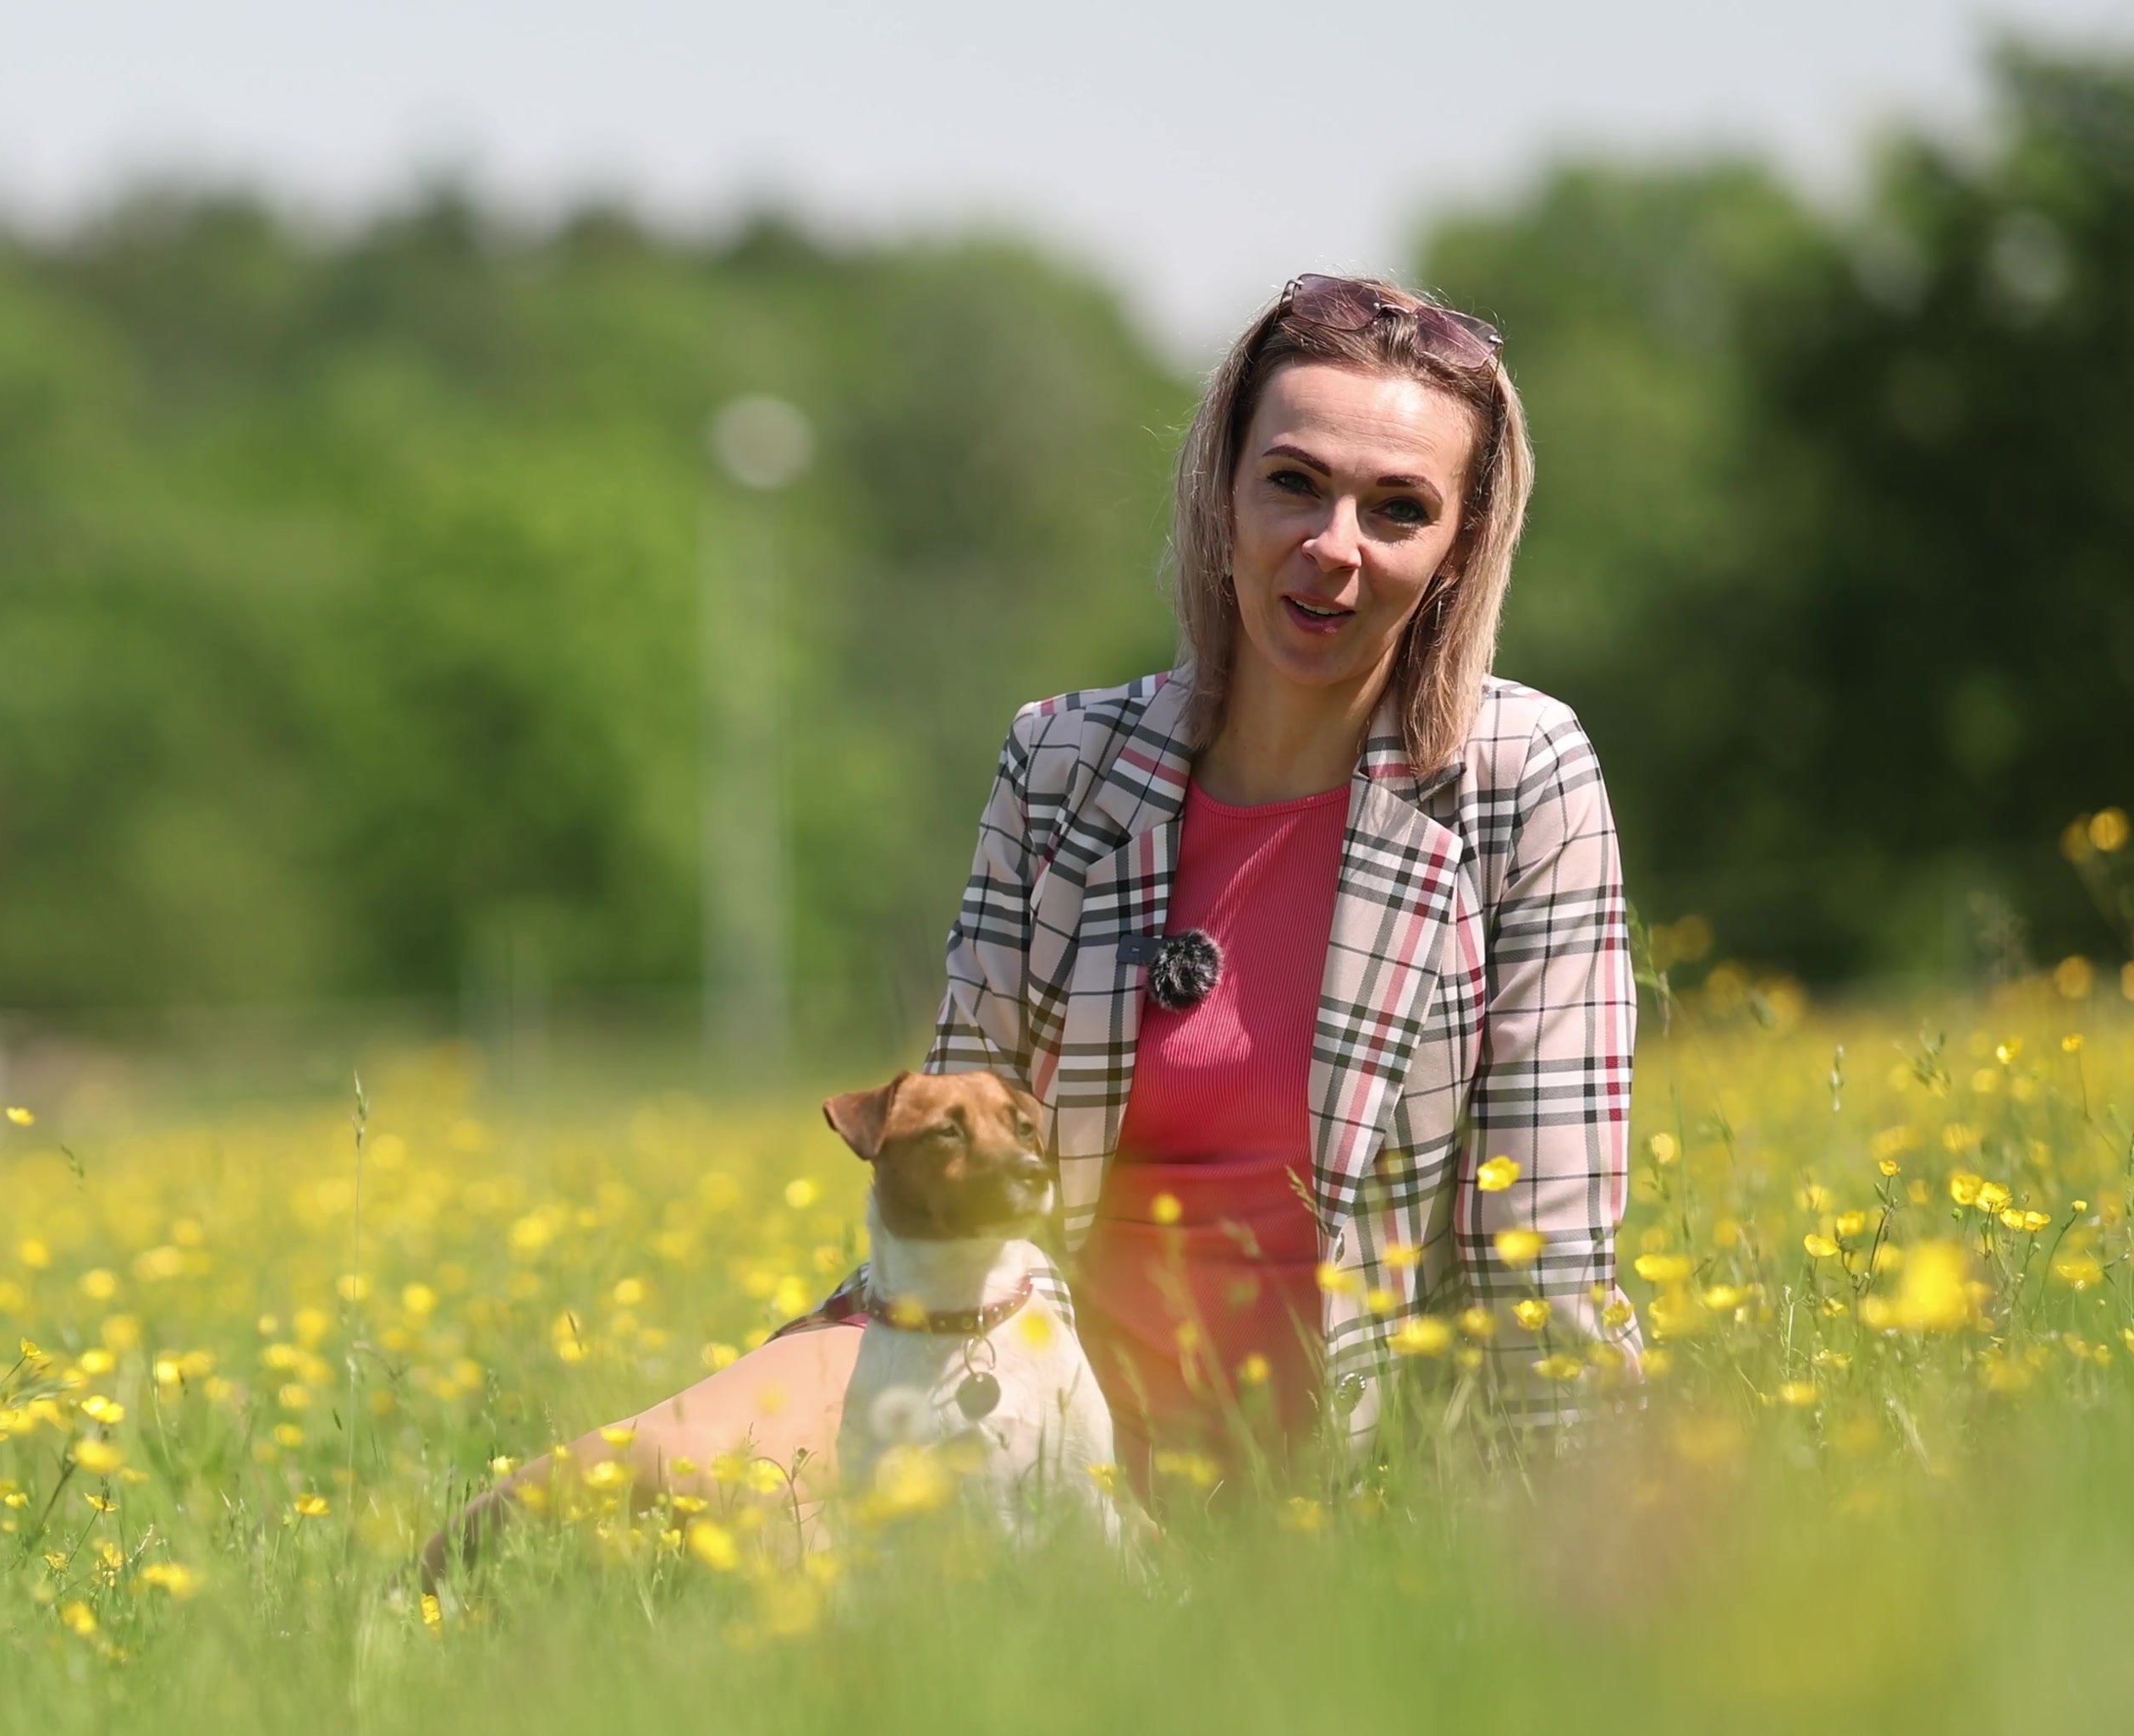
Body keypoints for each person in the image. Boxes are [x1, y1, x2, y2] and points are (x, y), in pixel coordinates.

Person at [423, 272, 1641, 1576]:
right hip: (1014, 1375)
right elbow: (950, 1158)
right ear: (1220, 497)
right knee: (574, 1506)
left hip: (1329, 1467)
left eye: (1397, 508)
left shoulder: (1518, 777)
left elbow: (1543, 1263)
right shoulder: (1063, 763)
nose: (1335, 544)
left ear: (1460, 547)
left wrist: (1562, 1572)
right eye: (1294, 482)